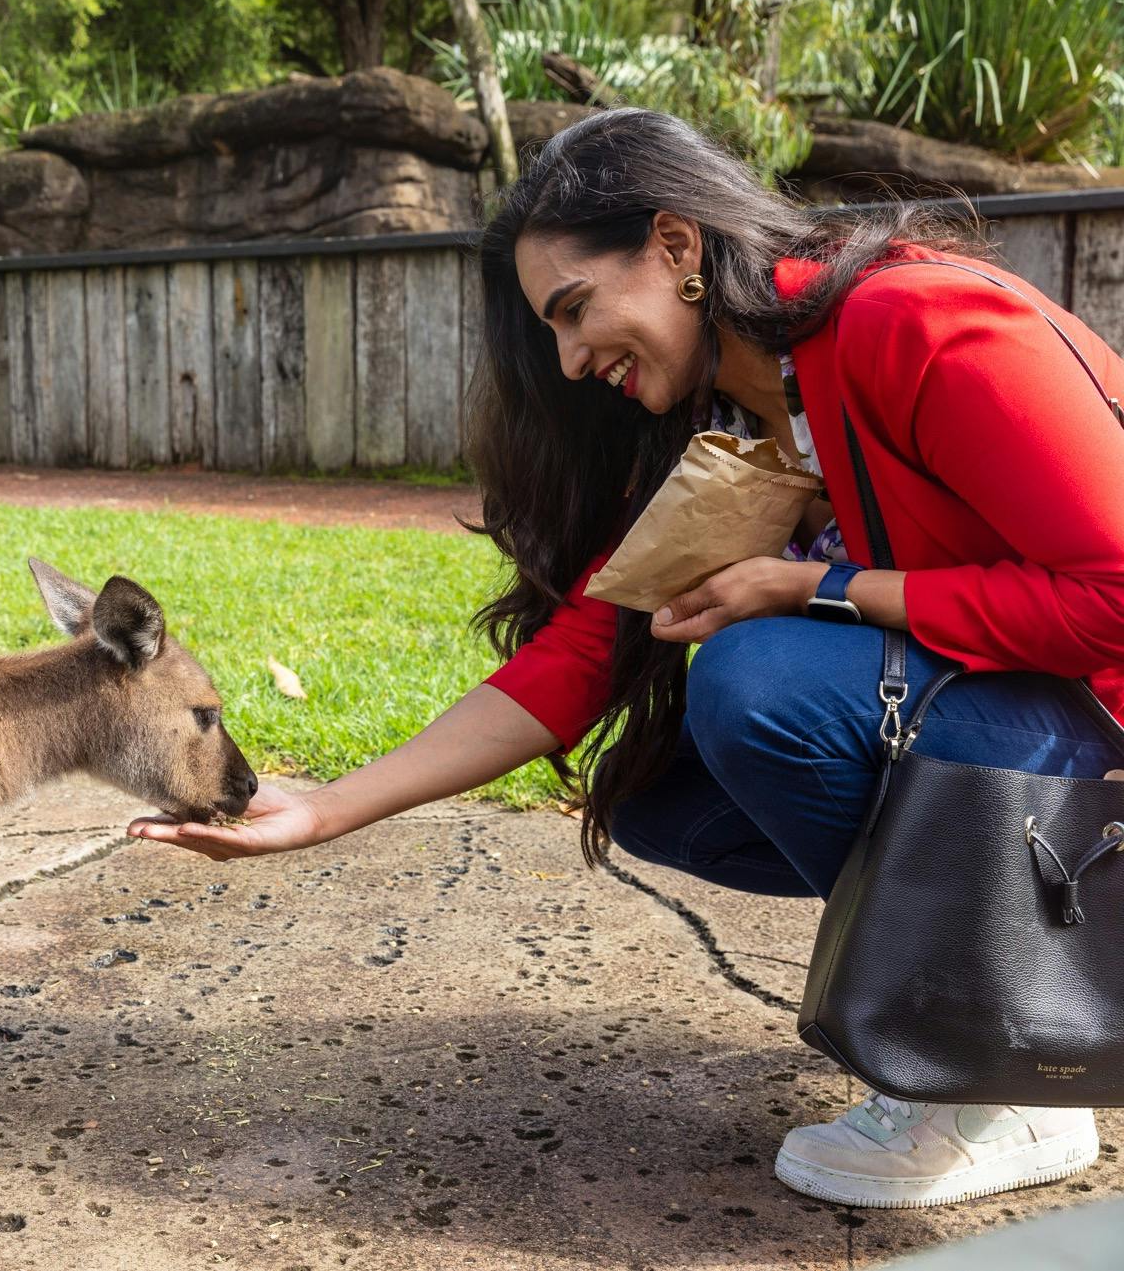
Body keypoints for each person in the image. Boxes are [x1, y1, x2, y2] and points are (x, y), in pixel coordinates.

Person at [127, 107, 1124, 1210]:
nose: (567, 357)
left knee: (759, 687)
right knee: (657, 793)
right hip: (1033, 758)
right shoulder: (738, 418)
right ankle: (985, 1007)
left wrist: (820, 585)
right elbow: (581, 654)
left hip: (1104, 763)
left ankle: (999, 1077)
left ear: (676, 247)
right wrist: (324, 814)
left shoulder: (912, 322)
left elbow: (1118, 595)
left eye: (574, 310)